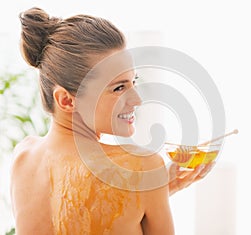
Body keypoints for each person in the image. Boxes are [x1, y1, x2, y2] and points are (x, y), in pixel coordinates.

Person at [10, 7, 215, 235]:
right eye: (118, 88)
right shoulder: (141, 166)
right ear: (66, 100)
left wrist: (154, 192)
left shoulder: (23, 158)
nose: (136, 100)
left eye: (133, 82)